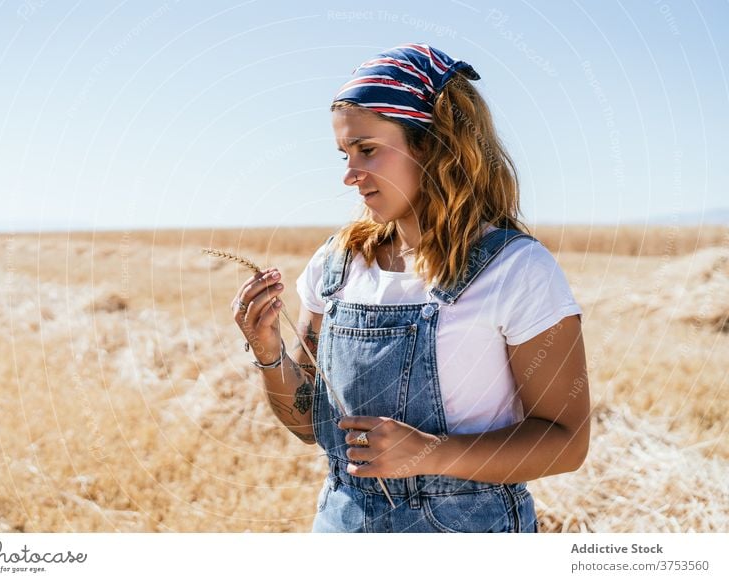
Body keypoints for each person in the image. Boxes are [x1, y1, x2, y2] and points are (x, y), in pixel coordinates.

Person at [231, 43, 590, 533]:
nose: (350, 175)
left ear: (433, 144)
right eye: (345, 153)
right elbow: (310, 426)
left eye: (369, 150)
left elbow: (567, 441)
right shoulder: (336, 266)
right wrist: (269, 354)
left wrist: (432, 454)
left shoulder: (516, 270)